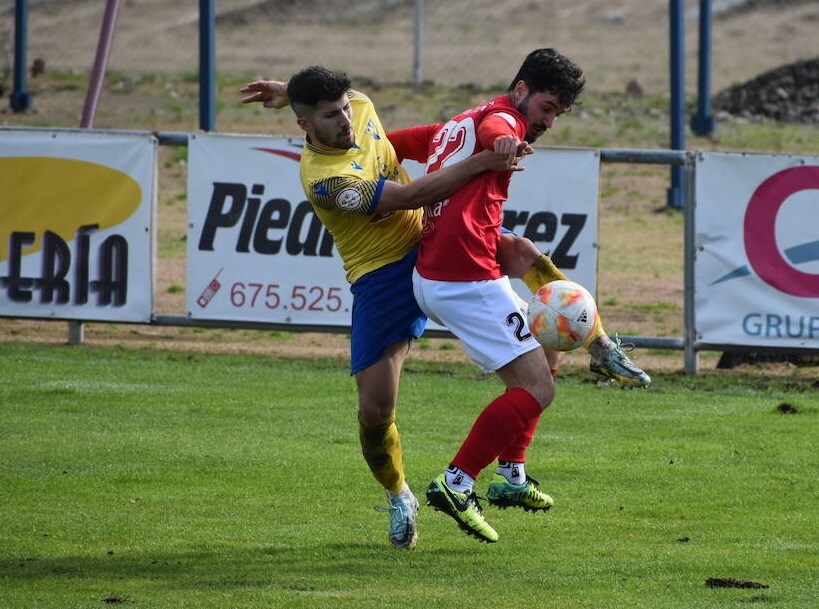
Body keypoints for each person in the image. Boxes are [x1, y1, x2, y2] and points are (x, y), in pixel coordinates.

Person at [238, 61, 649, 549]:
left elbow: (418, 138)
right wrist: (484, 159)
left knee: (528, 274)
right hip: (382, 277)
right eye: (330, 116)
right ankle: (399, 496)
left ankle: (526, 448)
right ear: (305, 124)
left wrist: (290, 90)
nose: (347, 121)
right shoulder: (325, 179)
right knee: (375, 413)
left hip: (432, 245)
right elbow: (411, 195)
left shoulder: (361, 106)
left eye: (346, 108)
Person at [390, 48, 623, 543]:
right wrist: (505, 147)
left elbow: (389, 143)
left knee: (548, 341)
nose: (550, 121)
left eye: (558, 113)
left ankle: (511, 477)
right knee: (539, 390)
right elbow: (500, 132)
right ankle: (456, 483)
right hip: (465, 282)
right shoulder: (501, 121)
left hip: (449, 275)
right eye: (547, 108)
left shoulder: (455, 124)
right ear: (521, 91)